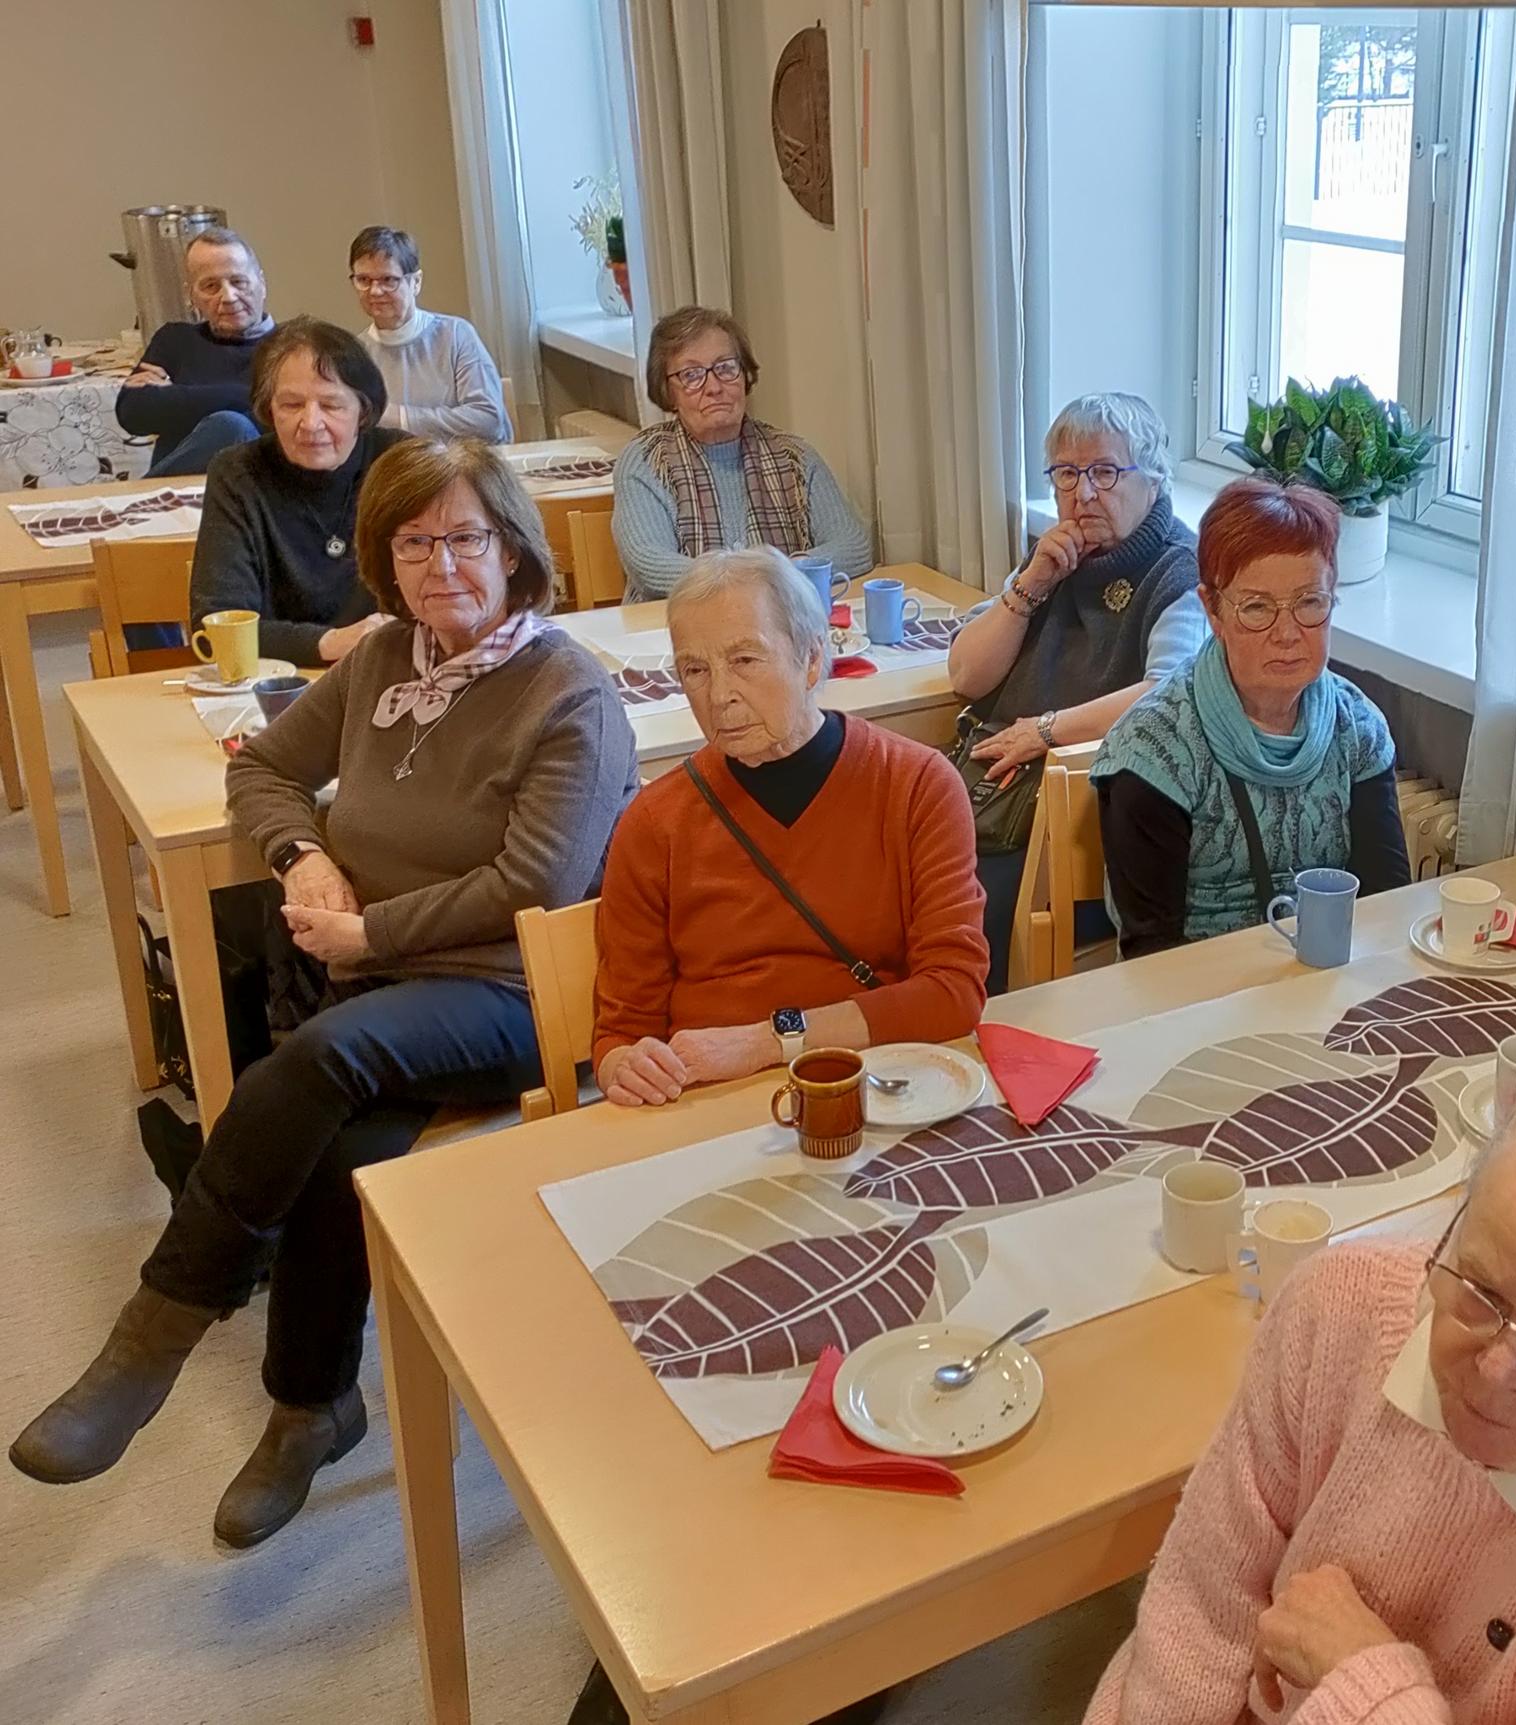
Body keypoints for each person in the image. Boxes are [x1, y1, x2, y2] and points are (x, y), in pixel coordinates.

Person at [10, 436, 638, 1547]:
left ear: (513, 549)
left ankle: (160, 1326)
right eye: (412, 543)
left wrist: (367, 930)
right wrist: (301, 854)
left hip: (509, 990)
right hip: (384, 983)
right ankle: (314, 1406)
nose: (440, 564)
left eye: (464, 538)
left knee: (314, 1060)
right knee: (338, 1149)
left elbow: (534, 882)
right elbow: (259, 767)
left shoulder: (567, 690)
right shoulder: (386, 657)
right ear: (384, 560)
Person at [1083, 1064, 1516, 1724]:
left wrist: (1363, 1683)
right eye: (1481, 1290)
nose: (1495, 1369)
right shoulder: (1342, 1305)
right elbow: (1206, 1591)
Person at [592, 546, 984, 1106]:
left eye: (745, 660)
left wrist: (766, 1043)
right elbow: (621, 1033)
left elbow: (954, 992)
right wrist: (627, 1066)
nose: (719, 695)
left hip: (870, 1086)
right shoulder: (654, 824)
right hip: (709, 1099)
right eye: (695, 670)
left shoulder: (917, 786)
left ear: (812, 659)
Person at [947, 392, 1209, 992]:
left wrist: (1046, 731)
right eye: (1066, 474)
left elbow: (1165, 694)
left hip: (1078, 816)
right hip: (993, 788)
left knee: (959, 914)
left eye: (1105, 472)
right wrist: (1033, 583)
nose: (1083, 493)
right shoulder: (1055, 555)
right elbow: (966, 675)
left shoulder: (1180, 571)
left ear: (1153, 479)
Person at [1092, 476, 1405, 957]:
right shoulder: (1154, 751)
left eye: (1309, 602)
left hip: (1333, 980)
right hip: (1192, 988)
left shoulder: (1358, 729)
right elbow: (1151, 953)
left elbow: (1388, 908)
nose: (1287, 633)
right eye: (1257, 608)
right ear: (1213, 612)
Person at [187, 318, 410, 668]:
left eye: (331, 405)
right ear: (269, 409)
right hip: (276, 685)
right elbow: (217, 625)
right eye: (291, 405)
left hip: (390, 671)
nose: (310, 424)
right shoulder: (238, 473)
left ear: (363, 410)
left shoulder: (401, 464)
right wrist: (332, 642)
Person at [610, 306, 872, 602]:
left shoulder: (794, 456)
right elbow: (650, 566)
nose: (713, 387)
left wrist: (775, 573)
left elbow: (854, 547)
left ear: (745, 375)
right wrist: (764, 577)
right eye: (691, 375)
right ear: (668, 392)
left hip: (778, 622)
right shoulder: (645, 461)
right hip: (676, 623)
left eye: (725, 368)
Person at [118, 225, 275, 477]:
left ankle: (136, 494)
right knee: (231, 423)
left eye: (239, 282)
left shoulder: (291, 345)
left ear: (262, 284)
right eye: (211, 286)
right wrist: (256, 396)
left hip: (257, 486)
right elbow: (132, 412)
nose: (229, 297)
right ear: (191, 295)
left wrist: (173, 395)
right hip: (178, 490)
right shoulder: (175, 340)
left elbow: (279, 419)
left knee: (231, 426)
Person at [348, 225, 512, 442]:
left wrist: (400, 418)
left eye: (388, 280)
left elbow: (489, 421)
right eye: (364, 280)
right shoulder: (355, 354)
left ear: (416, 282)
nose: (375, 291)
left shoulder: (455, 335)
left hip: (459, 461)